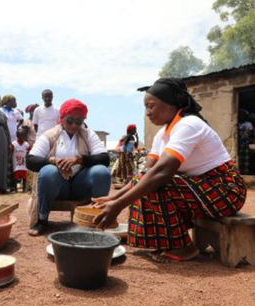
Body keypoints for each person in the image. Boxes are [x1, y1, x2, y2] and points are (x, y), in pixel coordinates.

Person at [92, 78, 247, 263]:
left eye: (152, 106)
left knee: (158, 183)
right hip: (201, 189)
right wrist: (112, 199)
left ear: (172, 104)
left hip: (227, 190)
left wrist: (118, 206)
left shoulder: (189, 125)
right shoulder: (162, 134)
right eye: (145, 107)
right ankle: (168, 241)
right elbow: (145, 174)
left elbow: (161, 173)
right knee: (145, 181)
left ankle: (184, 247)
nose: (148, 112)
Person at [26, 98, 111, 236]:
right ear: (62, 118)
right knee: (48, 172)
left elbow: (104, 158)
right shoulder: (50, 135)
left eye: (79, 121)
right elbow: (30, 161)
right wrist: (53, 161)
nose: (73, 125)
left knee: (102, 172)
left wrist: (80, 159)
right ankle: (41, 220)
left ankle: (97, 218)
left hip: (79, 185)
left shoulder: (88, 134)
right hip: (58, 186)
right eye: (70, 120)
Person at [0, 95, 23, 192]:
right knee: (3, 161)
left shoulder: (15, 111)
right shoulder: (0, 110)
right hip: (2, 138)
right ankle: (1, 185)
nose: (15, 103)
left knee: (12, 162)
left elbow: (21, 120)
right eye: (13, 101)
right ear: (8, 102)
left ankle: (11, 186)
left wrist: (17, 128)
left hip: (13, 139)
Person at [12, 127, 31, 192]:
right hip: (16, 163)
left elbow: (30, 150)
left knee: (24, 176)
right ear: (18, 136)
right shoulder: (14, 143)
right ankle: (15, 188)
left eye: (23, 136)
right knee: (16, 176)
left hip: (24, 163)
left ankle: (24, 188)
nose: (22, 137)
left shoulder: (26, 144)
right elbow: (10, 150)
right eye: (21, 136)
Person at [238, 109, 254, 174]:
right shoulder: (237, 123)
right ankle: (239, 172)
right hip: (238, 143)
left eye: (243, 115)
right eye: (240, 115)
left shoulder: (249, 124)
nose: (242, 116)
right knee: (239, 158)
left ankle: (245, 172)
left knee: (246, 159)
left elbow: (251, 133)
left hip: (246, 143)